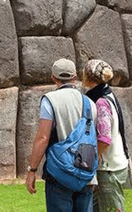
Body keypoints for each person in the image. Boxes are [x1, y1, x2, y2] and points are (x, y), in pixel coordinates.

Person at [26, 58, 98, 212]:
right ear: (75, 77)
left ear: (53, 77)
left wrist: (32, 170)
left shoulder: (49, 100)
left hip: (59, 175)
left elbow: (43, 138)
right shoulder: (90, 103)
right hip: (86, 174)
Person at [83, 59, 129, 212]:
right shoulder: (107, 94)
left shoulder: (101, 101)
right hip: (113, 166)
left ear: (89, 78)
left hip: (108, 170)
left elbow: (104, 138)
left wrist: (90, 160)